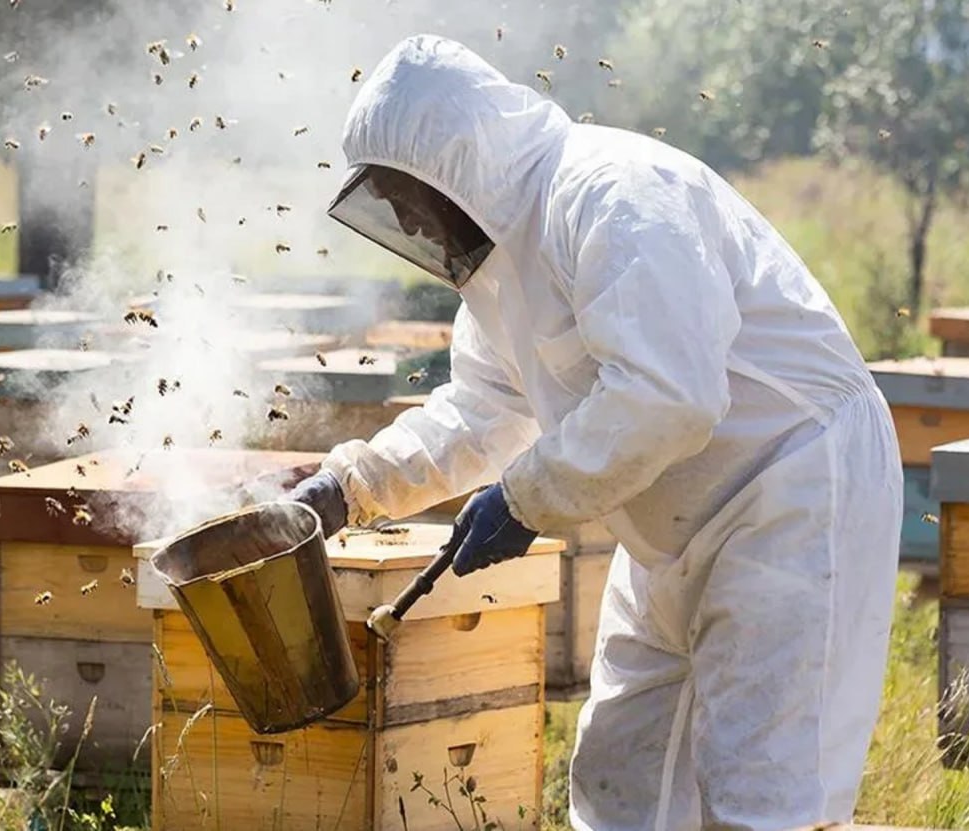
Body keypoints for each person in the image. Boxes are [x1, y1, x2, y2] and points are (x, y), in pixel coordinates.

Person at [287, 33, 904, 831]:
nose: (405, 217)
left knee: (762, 797)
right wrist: (349, 487)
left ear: (456, 159)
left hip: (790, 491)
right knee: (622, 783)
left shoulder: (614, 192)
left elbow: (671, 395)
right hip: (668, 525)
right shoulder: (499, 272)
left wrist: (526, 499)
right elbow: (482, 414)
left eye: (406, 193)